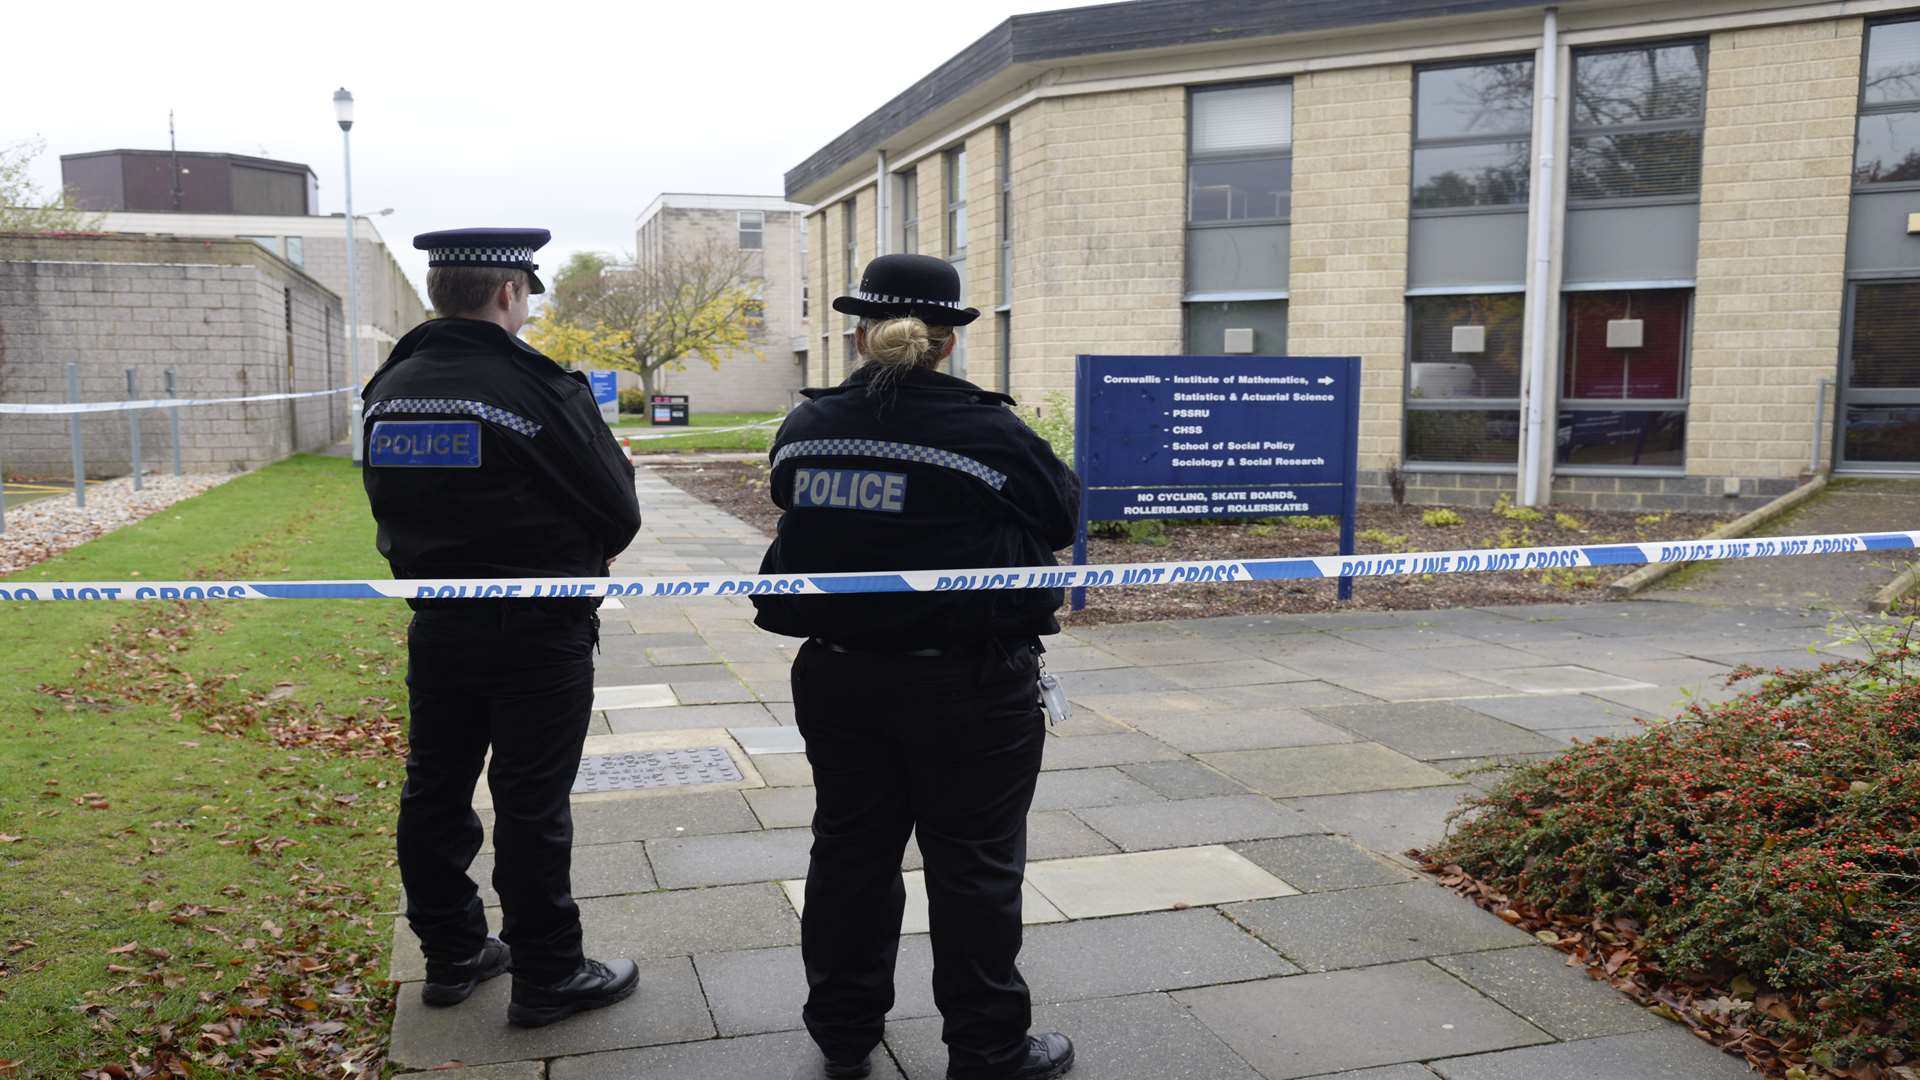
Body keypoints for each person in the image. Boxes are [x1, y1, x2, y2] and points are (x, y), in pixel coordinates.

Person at [752, 254, 1081, 1080]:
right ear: (946, 341)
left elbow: (797, 505)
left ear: (861, 333)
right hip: (969, 683)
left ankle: (843, 1032)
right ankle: (987, 1048)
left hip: (840, 675)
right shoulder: (987, 431)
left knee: (850, 854)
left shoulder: (809, 427)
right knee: (974, 866)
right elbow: (1061, 514)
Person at [361, 227, 643, 1028]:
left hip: (441, 623)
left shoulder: (392, 383)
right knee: (531, 802)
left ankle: (451, 954)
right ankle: (551, 973)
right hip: (536, 633)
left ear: (438, 291)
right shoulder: (537, 387)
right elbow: (618, 510)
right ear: (510, 293)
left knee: (436, 786)